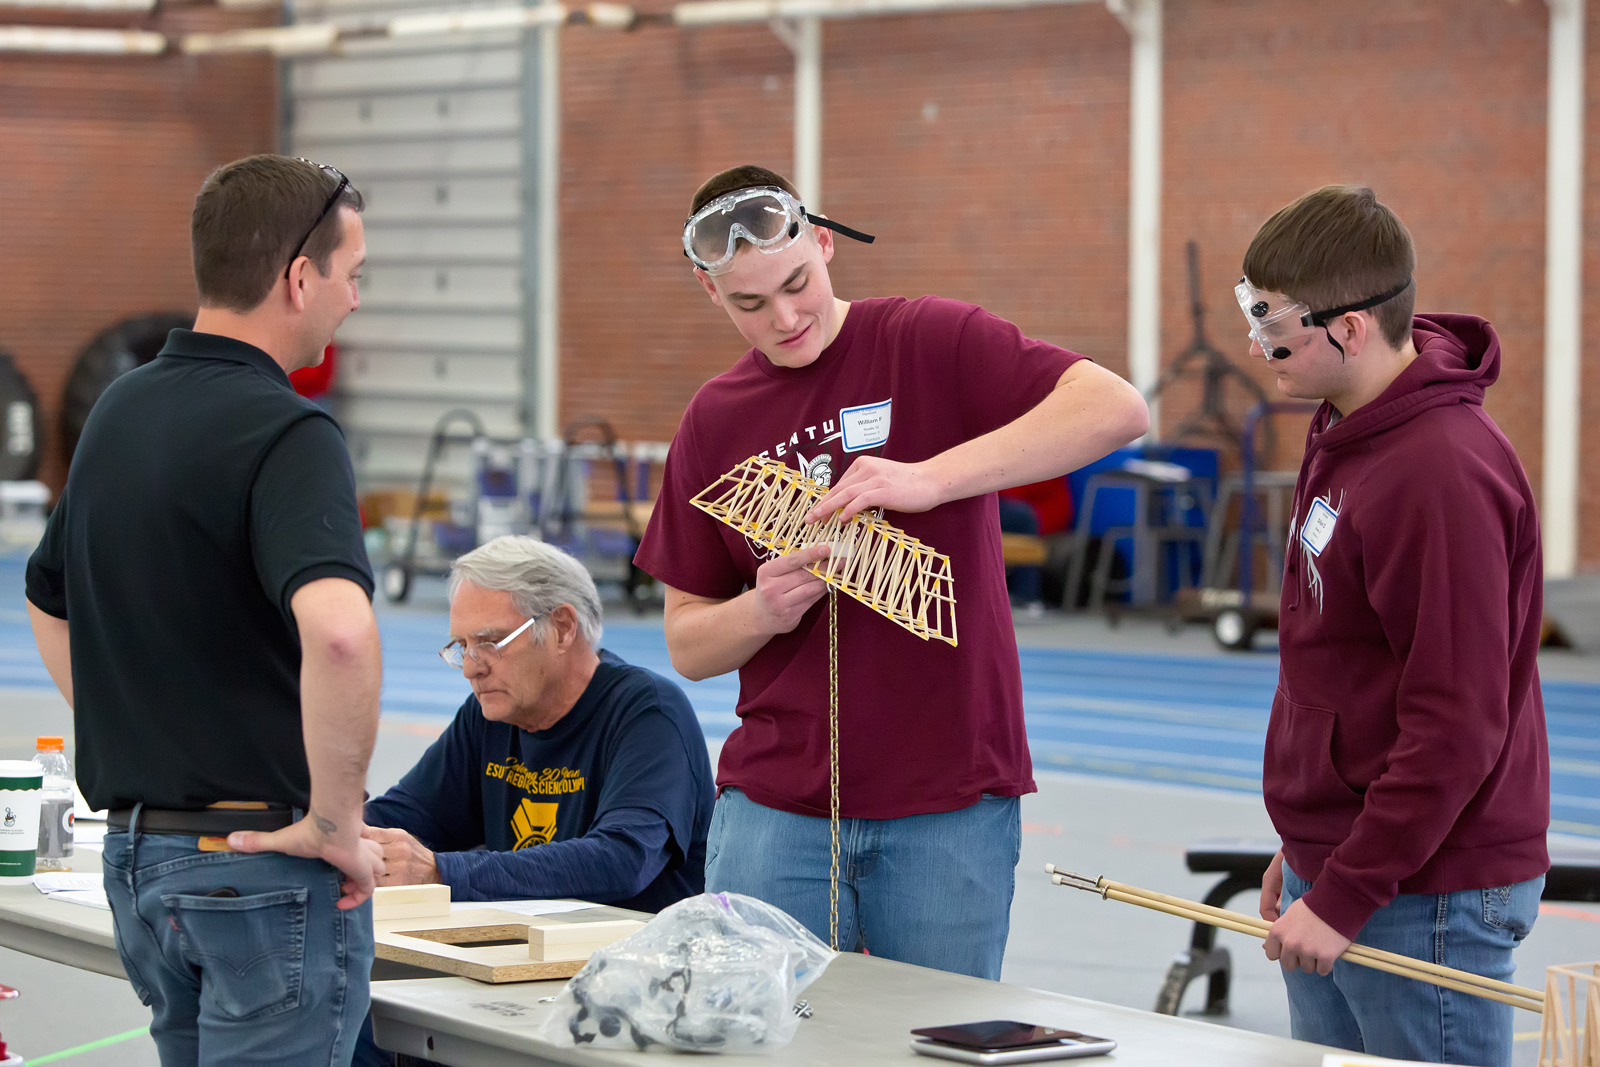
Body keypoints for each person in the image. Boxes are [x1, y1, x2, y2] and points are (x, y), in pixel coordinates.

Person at [633, 165, 1149, 979]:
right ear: (711, 292)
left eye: (798, 283)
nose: (786, 316)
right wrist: (763, 608)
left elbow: (1118, 407)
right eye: (750, 304)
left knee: (935, 1039)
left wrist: (929, 478)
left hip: (948, 809)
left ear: (826, 243)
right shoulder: (713, 420)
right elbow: (690, 644)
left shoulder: (929, 339)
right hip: (777, 813)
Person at [25, 154, 383, 1066]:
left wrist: (140, 732)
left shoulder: (118, 410)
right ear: (300, 278)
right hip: (258, 864)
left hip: (142, 864)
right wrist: (337, 823)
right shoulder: (290, 433)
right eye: (353, 276)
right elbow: (341, 633)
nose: (354, 301)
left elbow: (46, 596)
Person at [1240, 185, 1549, 1067]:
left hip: (1428, 891)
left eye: (1273, 322)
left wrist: (1347, 889)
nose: (1260, 344)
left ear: (1348, 327)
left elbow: (1454, 726)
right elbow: (1343, 668)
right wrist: (1311, 850)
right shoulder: (1343, 422)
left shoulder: (1438, 474)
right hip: (1358, 865)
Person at [363, 535, 714, 910]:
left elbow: (622, 859)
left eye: (490, 642)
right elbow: (404, 817)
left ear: (562, 627)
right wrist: (328, 822)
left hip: (639, 958)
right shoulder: (492, 715)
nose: (470, 667)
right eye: (462, 646)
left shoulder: (648, 714)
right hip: (528, 956)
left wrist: (443, 872)